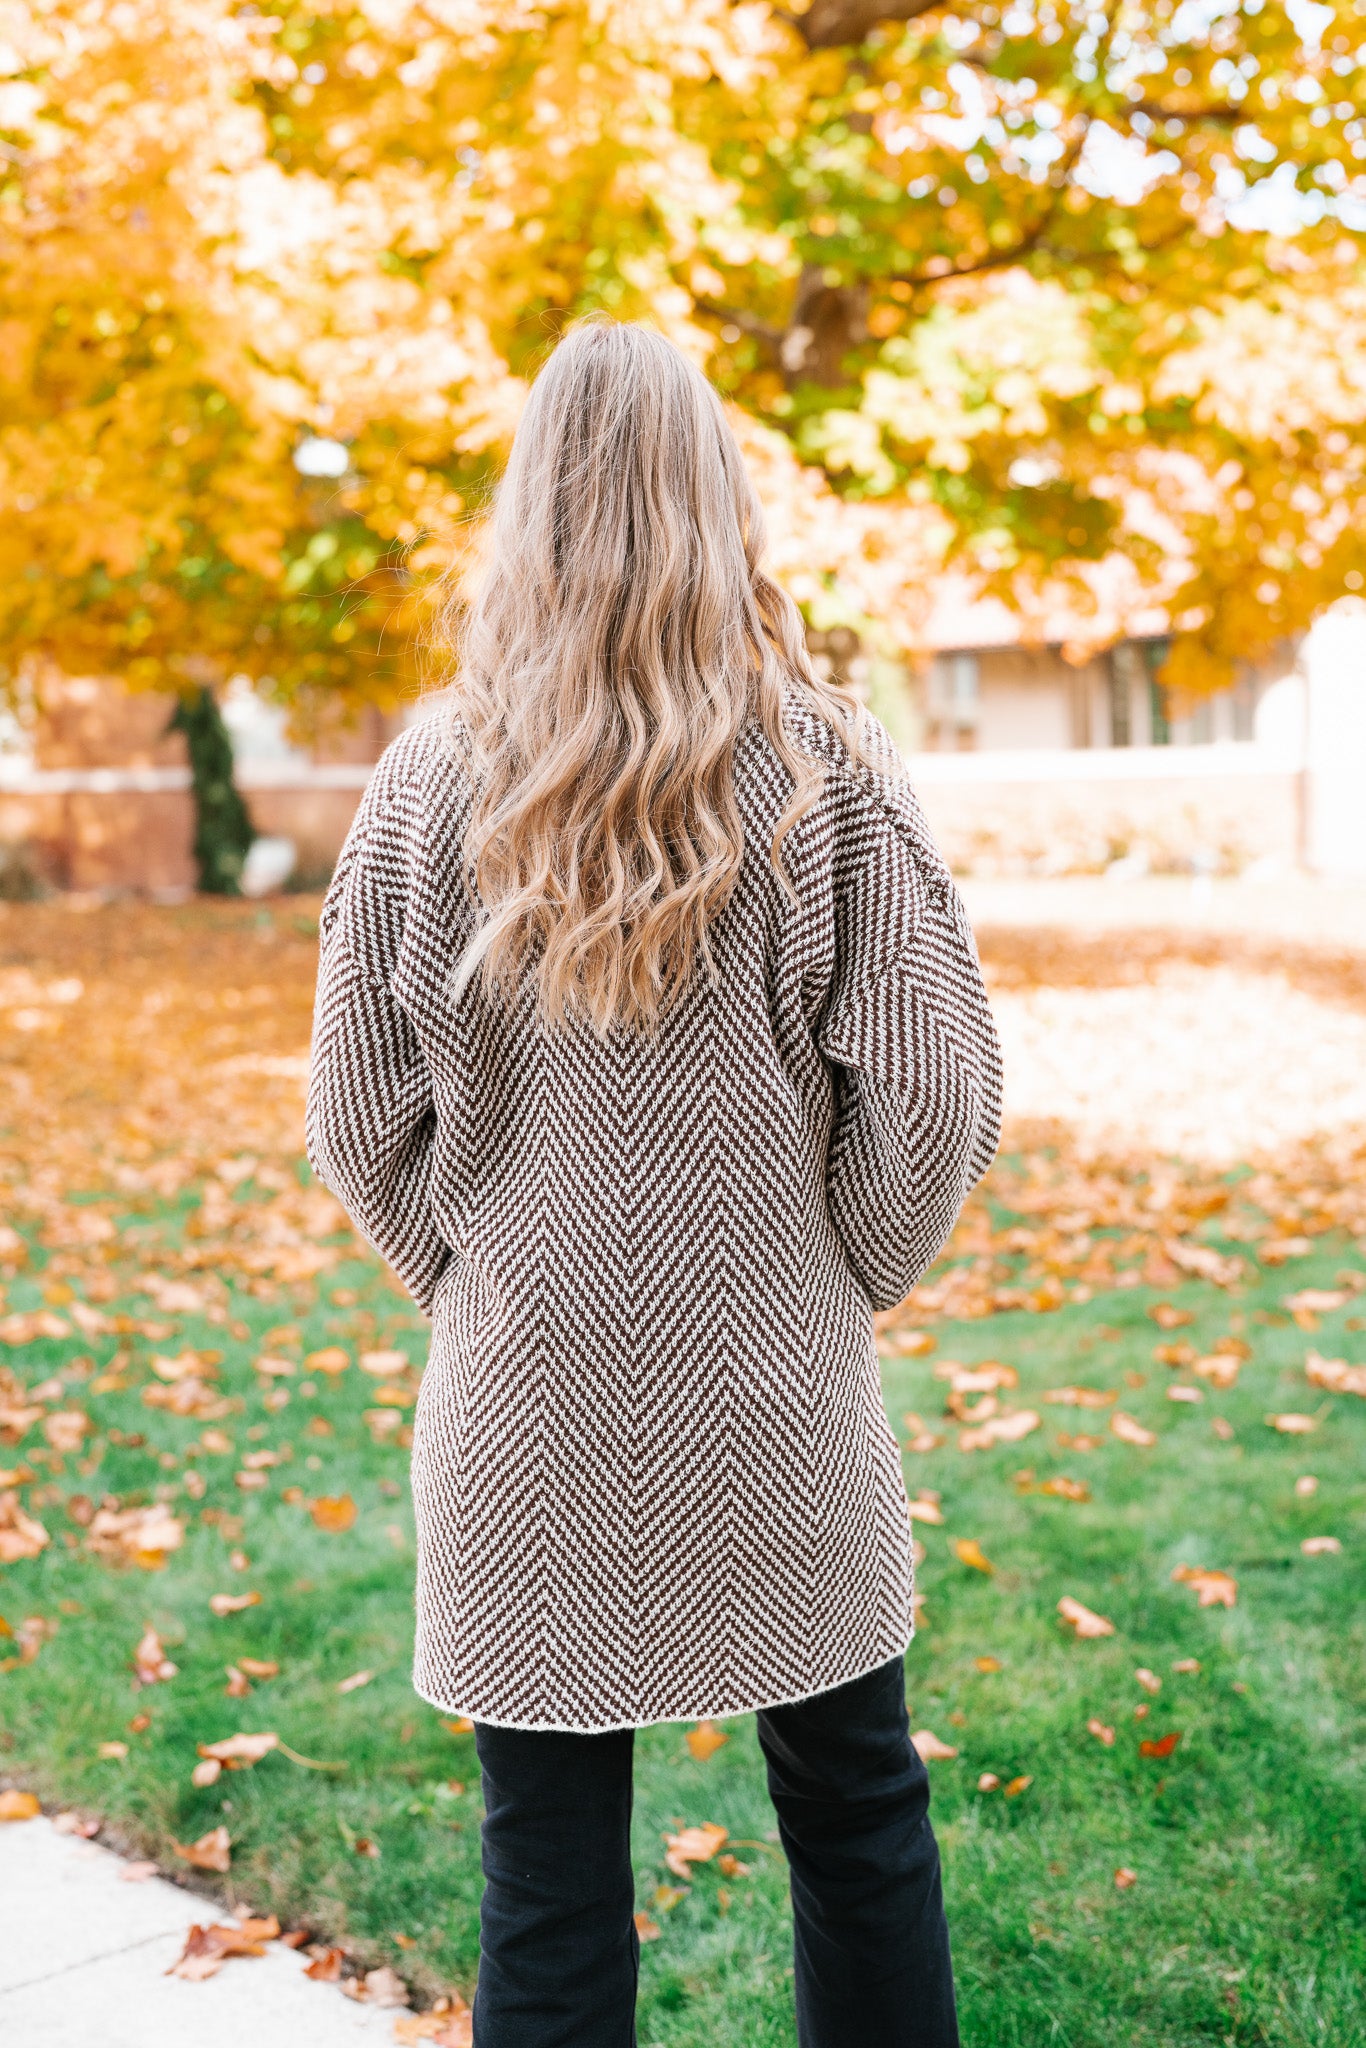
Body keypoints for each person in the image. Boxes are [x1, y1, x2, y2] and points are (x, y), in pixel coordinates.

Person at [307, 319, 1002, 2048]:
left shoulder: (425, 784)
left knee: (542, 1875)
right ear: (718, 495)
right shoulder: (822, 767)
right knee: (855, 1822)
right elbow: (930, 1093)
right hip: (780, 1408)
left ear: (525, 507)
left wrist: (480, 1277)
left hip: (521, 1417)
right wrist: (823, 1272)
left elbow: (356, 1119)